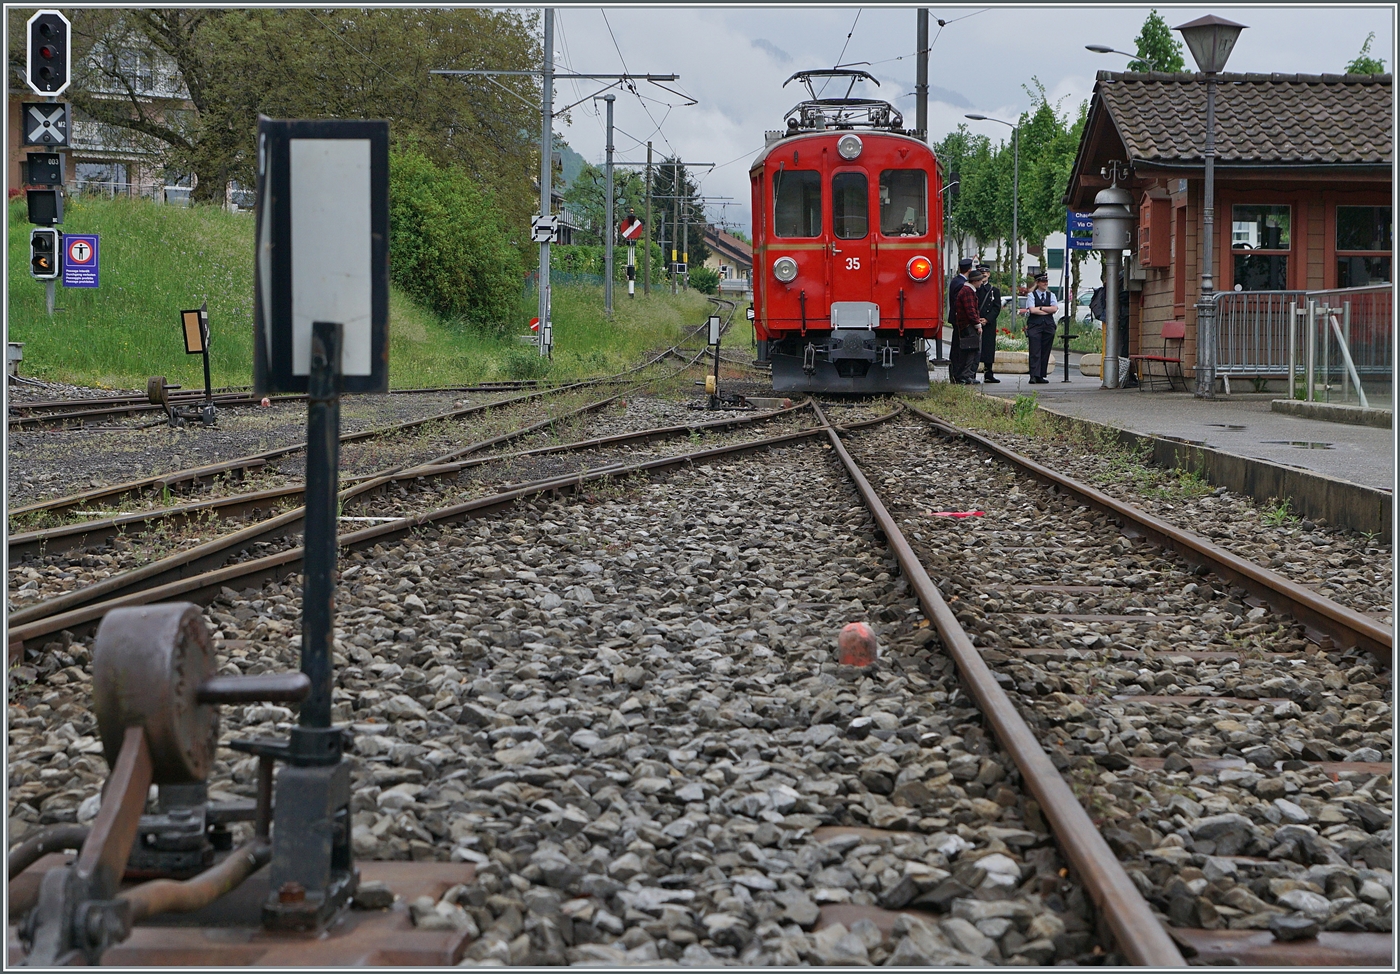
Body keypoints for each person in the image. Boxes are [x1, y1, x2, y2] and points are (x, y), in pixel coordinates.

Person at [1020, 272, 1058, 383]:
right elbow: (1032, 310)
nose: (1045, 283)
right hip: (1035, 325)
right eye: (1043, 281)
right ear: (1037, 283)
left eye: (1046, 281)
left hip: (1048, 326)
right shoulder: (1032, 295)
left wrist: (1040, 308)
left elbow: (1054, 309)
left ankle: (1041, 375)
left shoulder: (1051, 295)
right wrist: (1046, 310)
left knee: (1045, 351)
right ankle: (1033, 375)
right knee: (1035, 351)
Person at [949, 267, 983, 384]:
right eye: (980, 281)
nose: (981, 283)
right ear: (975, 281)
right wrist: (977, 324)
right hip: (968, 326)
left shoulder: (966, 290)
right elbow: (970, 310)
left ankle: (964, 375)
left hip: (965, 325)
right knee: (971, 351)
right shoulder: (968, 291)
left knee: (968, 350)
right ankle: (966, 375)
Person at [940, 257, 973, 366]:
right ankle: (956, 372)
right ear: (969, 270)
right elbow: (960, 303)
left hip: (956, 318)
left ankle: (955, 371)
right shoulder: (961, 284)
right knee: (958, 347)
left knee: (957, 345)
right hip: (960, 319)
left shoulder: (955, 280)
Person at [975, 265, 1002, 383]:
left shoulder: (994, 290)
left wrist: (987, 319)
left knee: (988, 348)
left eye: (986, 273)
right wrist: (976, 319)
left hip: (989, 323)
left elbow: (996, 307)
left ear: (989, 275)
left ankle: (988, 373)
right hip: (975, 322)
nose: (984, 275)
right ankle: (972, 372)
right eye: (981, 273)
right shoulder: (974, 289)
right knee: (974, 347)